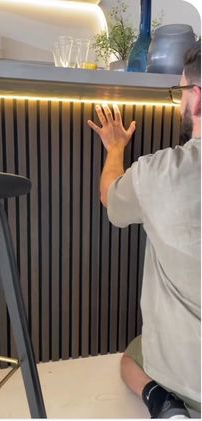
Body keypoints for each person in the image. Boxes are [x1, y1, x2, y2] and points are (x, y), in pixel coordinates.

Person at [87, 40, 201, 419]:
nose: (179, 102)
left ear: (197, 98)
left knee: (131, 359)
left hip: (193, 380)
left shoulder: (161, 171)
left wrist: (115, 148)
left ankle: (166, 405)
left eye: (180, 92)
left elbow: (110, 198)